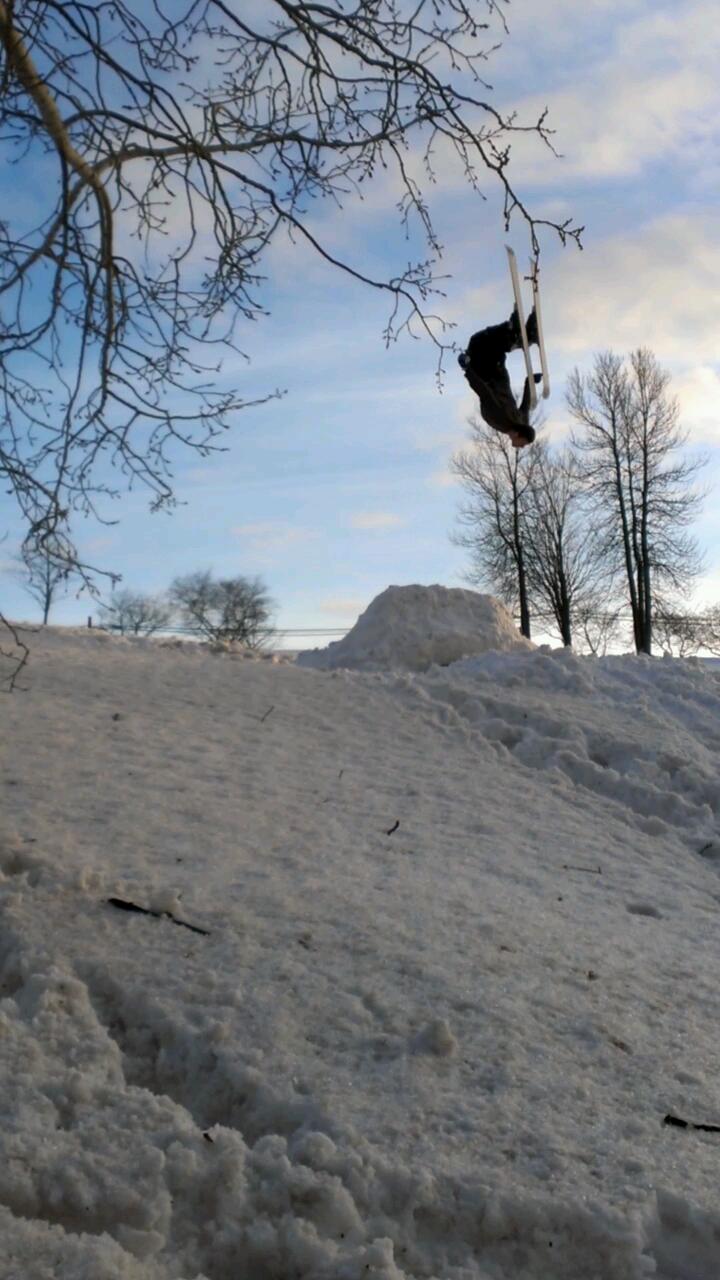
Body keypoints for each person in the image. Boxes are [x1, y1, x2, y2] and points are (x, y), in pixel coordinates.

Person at [458, 307, 541, 449]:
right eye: (523, 444)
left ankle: (523, 332)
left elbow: (526, 405)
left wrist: (530, 381)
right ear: (518, 435)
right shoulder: (502, 420)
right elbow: (485, 393)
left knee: (495, 346)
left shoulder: (522, 422)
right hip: (487, 373)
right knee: (478, 342)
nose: (521, 447)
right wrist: (467, 370)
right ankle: (513, 330)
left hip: (499, 373)